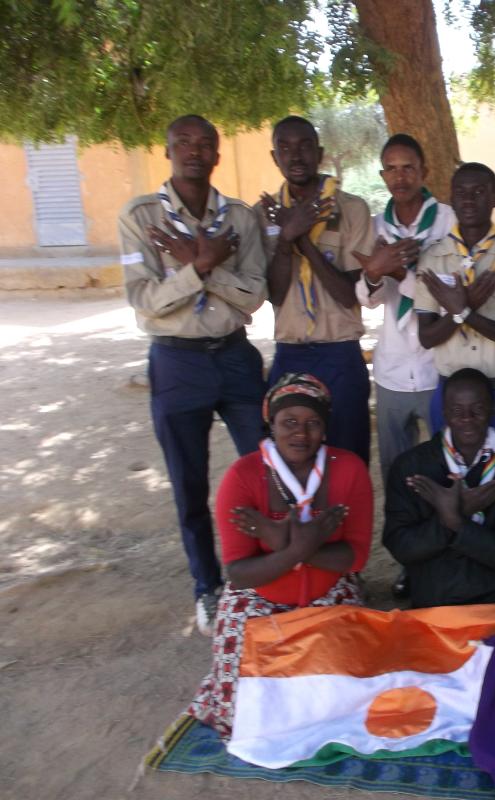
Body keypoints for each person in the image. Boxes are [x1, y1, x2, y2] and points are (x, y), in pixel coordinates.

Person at [118, 114, 267, 635]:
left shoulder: (241, 220)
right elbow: (143, 303)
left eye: (205, 143)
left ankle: (269, 577)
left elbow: (254, 295)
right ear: (167, 150)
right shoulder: (141, 217)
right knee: (189, 483)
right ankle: (209, 587)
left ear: (218, 153)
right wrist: (198, 268)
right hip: (177, 361)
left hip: (234, 354)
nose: (194, 151)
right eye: (183, 143)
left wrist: (207, 265)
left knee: (266, 467)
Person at [188, 373, 373, 739]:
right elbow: (239, 575)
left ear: (325, 428)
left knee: (348, 703)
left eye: (312, 423)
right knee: (243, 715)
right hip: (255, 601)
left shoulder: (349, 468)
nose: (300, 434)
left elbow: (355, 558)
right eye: (289, 422)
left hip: (328, 598)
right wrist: (304, 546)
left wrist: (283, 541)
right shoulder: (243, 476)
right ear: (271, 424)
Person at [355, 133, 456, 599]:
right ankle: (408, 563)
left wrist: (403, 275)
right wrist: (375, 272)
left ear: (424, 172)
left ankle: (445, 556)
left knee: (442, 470)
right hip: (393, 370)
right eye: (391, 169)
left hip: (438, 366)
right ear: (382, 176)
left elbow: (447, 292)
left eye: (408, 167)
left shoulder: (447, 220)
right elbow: (365, 297)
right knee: (399, 474)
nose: (400, 176)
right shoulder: (376, 226)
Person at [259, 115, 375, 463]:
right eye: (285, 148)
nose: (295, 156)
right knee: (292, 462)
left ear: (320, 153)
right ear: (274, 156)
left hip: (340, 353)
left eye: (305, 146)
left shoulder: (352, 209)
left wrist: (300, 238)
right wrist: (284, 239)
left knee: (348, 456)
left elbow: (349, 294)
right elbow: (275, 295)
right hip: (289, 353)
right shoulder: (262, 215)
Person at [383, 368, 495, 609]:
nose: (467, 418)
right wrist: (447, 521)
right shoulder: (411, 466)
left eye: (477, 409)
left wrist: (456, 521)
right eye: (457, 411)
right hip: (434, 603)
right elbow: (401, 547)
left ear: (492, 409)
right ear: (444, 413)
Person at [413, 163, 495, 463]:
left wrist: (463, 310)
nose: (468, 200)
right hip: (452, 397)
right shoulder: (433, 256)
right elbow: (427, 337)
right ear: (451, 199)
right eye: (461, 193)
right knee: (452, 475)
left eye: (479, 192)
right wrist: (460, 312)